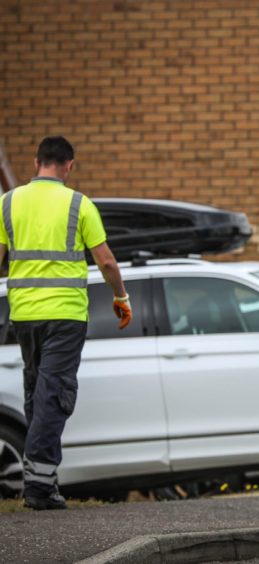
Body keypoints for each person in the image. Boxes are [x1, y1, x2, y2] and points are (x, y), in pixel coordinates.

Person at [0, 136, 131, 510]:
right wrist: (120, 297)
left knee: (37, 394)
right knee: (54, 395)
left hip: (23, 314)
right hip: (66, 314)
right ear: (69, 165)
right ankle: (39, 486)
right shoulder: (79, 204)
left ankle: (42, 479)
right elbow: (106, 262)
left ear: (36, 161)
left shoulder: (7, 202)